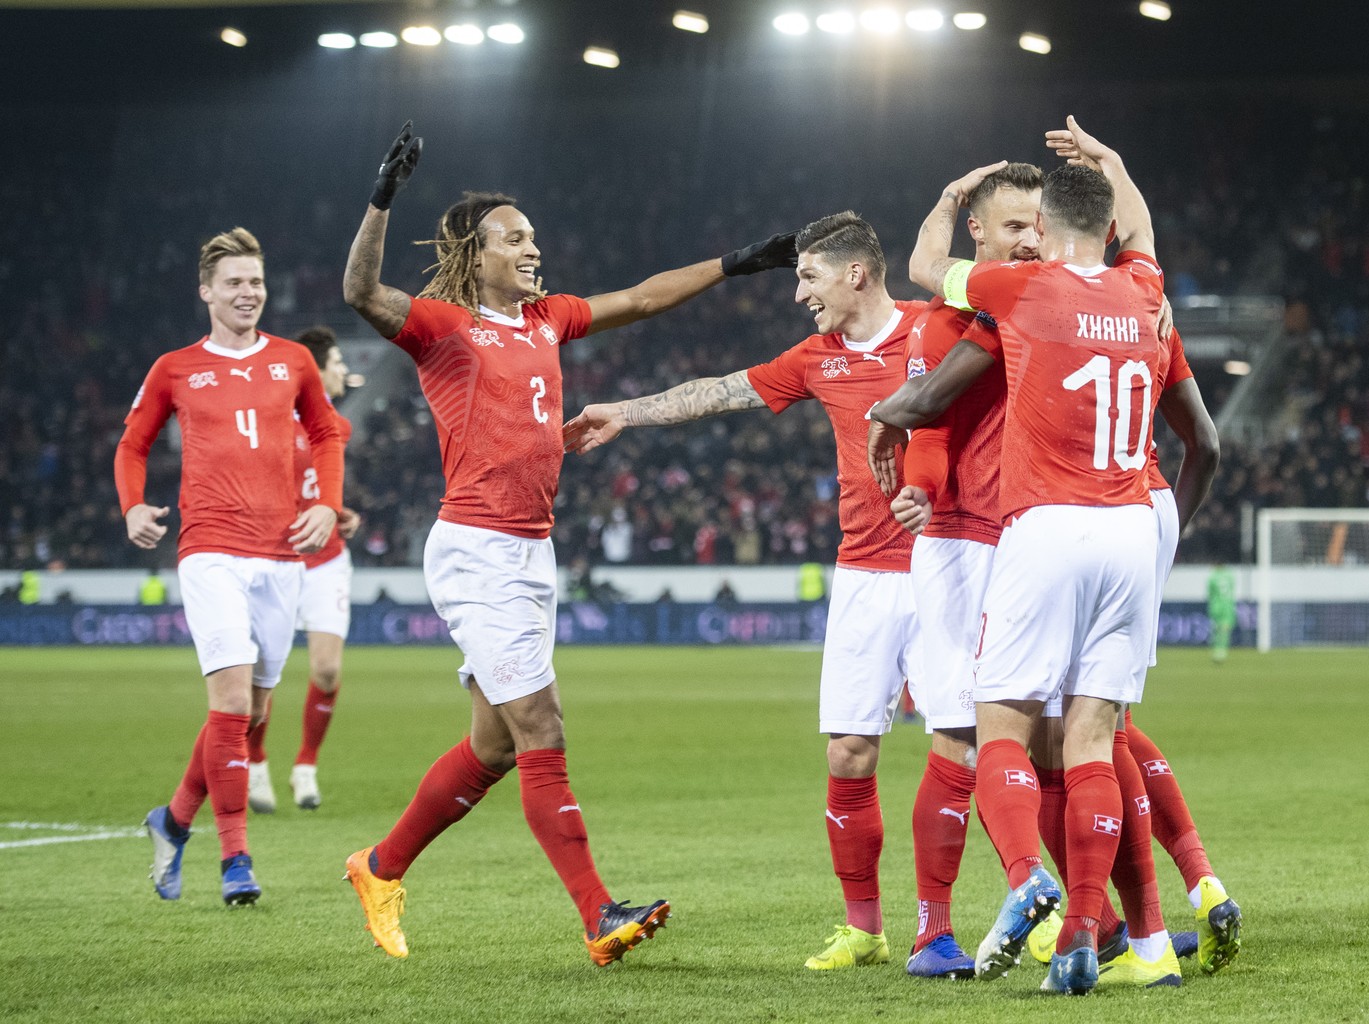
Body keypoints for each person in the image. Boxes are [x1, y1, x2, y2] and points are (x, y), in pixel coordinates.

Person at [339, 122, 797, 963]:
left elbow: (643, 297)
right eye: (515, 239)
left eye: (534, 236)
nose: (532, 248)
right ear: (476, 257)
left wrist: (738, 262)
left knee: (493, 744)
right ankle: (598, 914)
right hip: (478, 549)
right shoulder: (444, 326)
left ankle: (380, 865)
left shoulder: (547, 320)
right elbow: (362, 291)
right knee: (542, 728)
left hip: (529, 550)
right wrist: (382, 194)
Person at [565, 211, 927, 973]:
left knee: (978, 745)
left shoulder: (940, 331)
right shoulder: (817, 358)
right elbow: (719, 392)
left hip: (954, 563)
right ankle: (865, 931)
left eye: (808, 277)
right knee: (851, 754)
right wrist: (624, 414)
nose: (798, 294)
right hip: (865, 574)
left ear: (854, 273)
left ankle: (967, 922)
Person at [870, 118, 1167, 995]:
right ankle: (1084, 933)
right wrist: (1114, 161)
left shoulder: (1024, 289)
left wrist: (949, 198)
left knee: (996, 723)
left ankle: (1027, 876)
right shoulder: (1140, 288)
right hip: (1132, 531)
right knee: (1090, 734)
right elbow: (1145, 234)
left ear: (1053, 227)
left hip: (1046, 528)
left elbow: (927, 271)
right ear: (1108, 226)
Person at [115, 227, 343, 906]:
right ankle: (236, 860)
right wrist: (132, 508)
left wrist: (328, 505)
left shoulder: (295, 361)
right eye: (235, 283)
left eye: (257, 283)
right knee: (233, 701)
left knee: (249, 716)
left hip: (282, 556)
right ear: (206, 292)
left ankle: (173, 820)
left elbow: (328, 433)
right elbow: (133, 445)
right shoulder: (175, 368)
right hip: (209, 549)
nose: (249, 293)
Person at [246, 326, 362, 813]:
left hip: (327, 561)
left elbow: (319, 484)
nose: (342, 372)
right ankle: (254, 763)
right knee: (260, 678)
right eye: (336, 363)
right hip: (276, 557)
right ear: (313, 369)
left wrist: (340, 512)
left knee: (327, 668)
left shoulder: (339, 426)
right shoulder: (271, 419)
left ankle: (305, 765)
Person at [1207, 563, 1237, 662]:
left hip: (1216, 606)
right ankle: (1222, 651)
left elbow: (1210, 593)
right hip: (1227, 605)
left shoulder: (1212, 577)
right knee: (1225, 630)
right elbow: (1232, 589)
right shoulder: (1229, 576)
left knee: (1216, 629)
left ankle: (1216, 650)